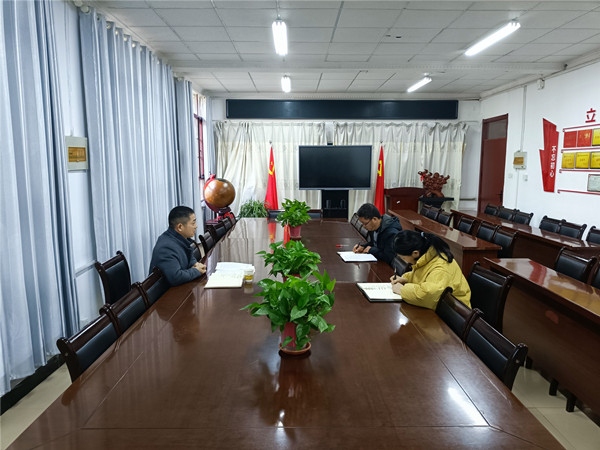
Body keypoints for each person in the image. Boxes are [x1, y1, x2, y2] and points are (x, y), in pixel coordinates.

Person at [390, 230, 471, 310]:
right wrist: (406, 279)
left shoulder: (440, 268)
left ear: (415, 253)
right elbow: (423, 275)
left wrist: (402, 290)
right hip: (441, 307)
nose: (404, 260)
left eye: (403, 258)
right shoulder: (427, 255)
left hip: (454, 312)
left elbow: (427, 295)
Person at [149, 206, 206, 286]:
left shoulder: (180, 238)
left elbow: (188, 255)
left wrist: (195, 264)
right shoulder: (166, 247)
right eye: (193, 223)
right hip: (167, 292)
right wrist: (196, 271)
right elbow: (176, 277)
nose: (196, 226)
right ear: (180, 227)